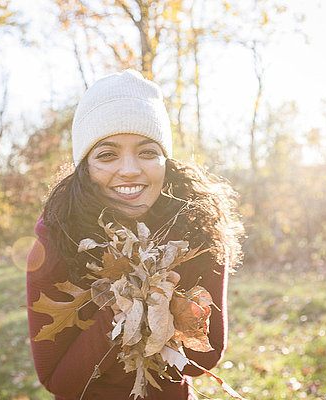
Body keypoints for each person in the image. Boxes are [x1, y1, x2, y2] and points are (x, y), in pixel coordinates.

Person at [26, 69, 244, 400]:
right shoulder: (56, 245)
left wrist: (169, 314)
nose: (129, 169)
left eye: (146, 152)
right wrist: (113, 319)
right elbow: (59, 382)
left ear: (165, 162)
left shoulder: (200, 235)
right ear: (85, 168)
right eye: (107, 154)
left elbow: (205, 360)